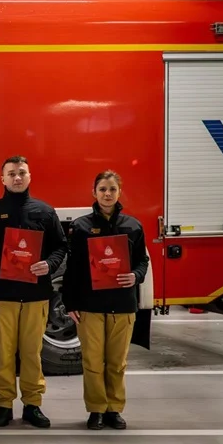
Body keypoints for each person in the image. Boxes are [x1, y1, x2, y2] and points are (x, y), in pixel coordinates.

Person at [0, 155, 67, 428]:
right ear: (2, 179)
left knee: (32, 354)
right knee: (3, 355)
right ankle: (3, 405)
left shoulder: (45, 212)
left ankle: (32, 405)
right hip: (2, 299)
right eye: (11, 173)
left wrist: (50, 264)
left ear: (29, 176)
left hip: (36, 298)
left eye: (22, 172)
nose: (17, 177)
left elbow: (61, 246)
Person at [61, 170, 149, 430]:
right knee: (92, 362)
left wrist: (135, 276)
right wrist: (70, 303)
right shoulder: (81, 227)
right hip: (90, 306)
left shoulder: (133, 226)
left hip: (123, 306)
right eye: (102, 189)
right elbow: (72, 268)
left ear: (119, 192)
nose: (107, 194)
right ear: (94, 192)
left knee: (117, 363)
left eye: (112, 189)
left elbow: (142, 261)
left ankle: (114, 410)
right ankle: (96, 410)